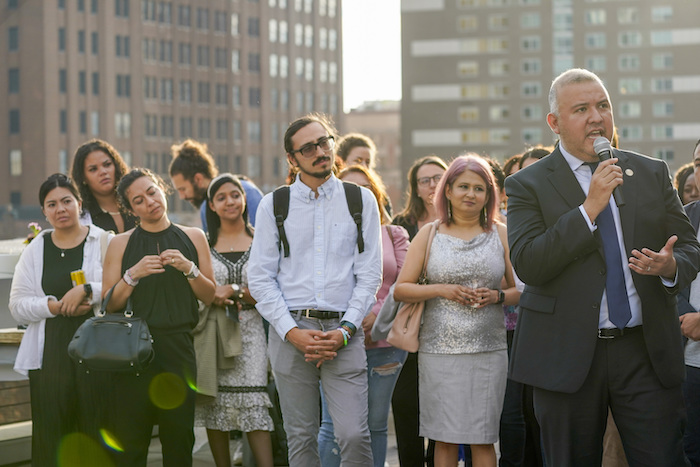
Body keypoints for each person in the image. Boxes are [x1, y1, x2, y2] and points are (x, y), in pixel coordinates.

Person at [505, 68, 700, 466]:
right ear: (554, 123)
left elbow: (690, 247)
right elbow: (529, 263)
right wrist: (588, 209)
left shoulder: (649, 172)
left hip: (645, 351)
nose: (596, 117)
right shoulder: (528, 184)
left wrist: (668, 267)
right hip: (566, 354)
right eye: (581, 109)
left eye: (603, 105)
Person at [247, 113, 382, 466]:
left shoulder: (361, 200)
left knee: (354, 434)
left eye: (324, 142)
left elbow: (369, 276)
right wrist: (292, 332)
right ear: (292, 160)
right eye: (308, 148)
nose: (320, 152)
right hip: (290, 330)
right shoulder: (273, 204)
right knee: (301, 436)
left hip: (344, 330)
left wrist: (346, 330)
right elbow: (260, 278)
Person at [395, 154, 519, 467]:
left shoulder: (501, 234)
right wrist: (442, 289)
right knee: (444, 438)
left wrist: (496, 296)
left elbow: (521, 291)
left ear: (489, 195)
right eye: (463, 186)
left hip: (488, 351)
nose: (470, 194)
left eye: (479, 188)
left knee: (483, 438)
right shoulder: (430, 234)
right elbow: (401, 289)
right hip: (438, 351)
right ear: (447, 191)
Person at [102, 168, 216, 466]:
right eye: (138, 200)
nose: (149, 202)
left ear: (162, 189)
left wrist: (189, 268)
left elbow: (209, 295)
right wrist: (132, 275)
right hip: (132, 350)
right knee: (131, 440)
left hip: (178, 349)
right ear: (131, 209)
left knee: (179, 439)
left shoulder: (194, 236)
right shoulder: (120, 243)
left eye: (152, 192)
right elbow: (109, 304)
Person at [10, 173, 112, 466]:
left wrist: (88, 290)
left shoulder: (104, 241)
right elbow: (17, 305)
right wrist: (53, 306)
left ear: (79, 203)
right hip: (50, 353)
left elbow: (122, 289)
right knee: (51, 434)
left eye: (66, 201)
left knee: (96, 429)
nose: (60, 209)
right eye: (51, 204)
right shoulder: (35, 249)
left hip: (98, 351)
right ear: (44, 212)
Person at [318, 165, 410, 467]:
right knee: (334, 427)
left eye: (364, 186)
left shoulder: (393, 233)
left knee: (375, 425)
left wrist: (375, 313)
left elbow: (406, 280)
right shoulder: (321, 236)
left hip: (384, 344)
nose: (357, 193)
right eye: (348, 188)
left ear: (376, 192)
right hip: (334, 341)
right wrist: (352, 320)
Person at [195, 173, 275, 467]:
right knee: (216, 406)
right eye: (221, 197)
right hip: (214, 333)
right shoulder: (203, 244)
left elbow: (273, 289)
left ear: (244, 199)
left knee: (254, 404)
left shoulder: (263, 240)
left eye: (235, 194)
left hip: (253, 331)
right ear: (212, 207)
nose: (230, 201)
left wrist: (237, 291)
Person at [390, 154, 447, 467]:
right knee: (405, 400)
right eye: (424, 180)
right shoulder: (402, 224)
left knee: (442, 403)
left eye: (438, 177)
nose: (432, 185)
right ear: (414, 187)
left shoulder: (460, 220)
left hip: (448, 321)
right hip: (411, 323)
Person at [169, 139, 264, 228]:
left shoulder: (247, 190)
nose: (182, 196)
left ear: (198, 179)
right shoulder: (205, 208)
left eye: (183, 189)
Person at [678, 139, 700, 465]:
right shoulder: (684, 218)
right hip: (690, 362)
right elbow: (668, 279)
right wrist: (685, 314)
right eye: (698, 162)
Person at [71, 138, 137, 233]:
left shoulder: (136, 202)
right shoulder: (81, 218)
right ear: (83, 178)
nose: (103, 172)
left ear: (116, 166)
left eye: (107, 165)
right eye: (93, 169)